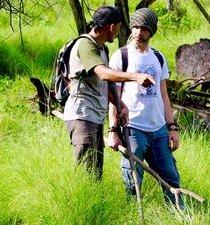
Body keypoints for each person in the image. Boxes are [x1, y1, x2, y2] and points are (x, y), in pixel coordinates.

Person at [63, 6, 155, 180]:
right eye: (119, 27)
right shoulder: (85, 44)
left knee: (95, 174)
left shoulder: (102, 49)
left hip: (95, 117)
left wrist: (122, 106)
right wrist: (135, 77)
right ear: (112, 26)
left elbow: (103, 86)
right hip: (82, 115)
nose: (120, 31)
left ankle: (95, 207)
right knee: (86, 173)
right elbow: (104, 75)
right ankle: (81, 207)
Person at [106, 8, 184, 208]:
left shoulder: (158, 58)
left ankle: (179, 215)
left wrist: (172, 128)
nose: (139, 32)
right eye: (136, 27)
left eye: (144, 29)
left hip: (158, 130)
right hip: (133, 129)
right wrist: (113, 131)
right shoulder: (121, 56)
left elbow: (164, 96)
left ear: (152, 31)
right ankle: (134, 215)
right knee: (133, 183)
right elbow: (113, 97)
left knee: (170, 178)